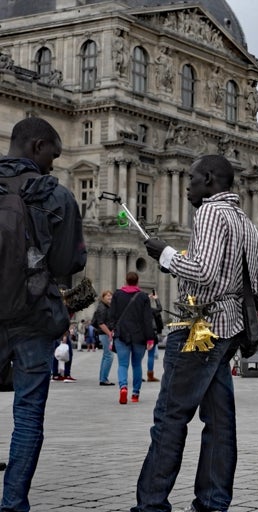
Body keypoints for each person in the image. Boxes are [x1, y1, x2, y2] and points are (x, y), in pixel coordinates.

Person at [136, 154, 258, 511]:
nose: (188, 185)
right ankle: (212, 502)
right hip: (230, 329)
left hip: (199, 327)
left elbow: (203, 272)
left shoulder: (209, 213)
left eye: (192, 178)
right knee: (220, 423)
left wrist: (166, 255)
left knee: (170, 418)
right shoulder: (245, 222)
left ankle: (151, 504)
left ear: (209, 179)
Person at [0, 117, 86, 512]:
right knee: (28, 415)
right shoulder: (58, 196)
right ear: (37, 146)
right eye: (53, 154)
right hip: (34, 318)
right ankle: (13, 503)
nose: (54, 163)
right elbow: (69, 262)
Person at [109, 271, 156, 405]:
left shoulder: (117, 294)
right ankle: (135, 394)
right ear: (137, 281)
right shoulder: (143, 297)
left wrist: (113, 329)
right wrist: (150, 338)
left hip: (122, 334)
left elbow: (111, 315)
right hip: (139, 336)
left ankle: (123, 387)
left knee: (123, 364)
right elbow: (147, 319)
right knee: (137, 365)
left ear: (126, 280)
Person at [93, 290, 116, 386]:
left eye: (111, 296)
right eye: (107, 296)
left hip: (105, 333)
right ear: (103, 297)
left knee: (106, 355)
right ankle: (104, 379)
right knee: (109, 356)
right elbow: (101, 323)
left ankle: (102, 378)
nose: (110, 297)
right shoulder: (102, 308)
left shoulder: (106, 307)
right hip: (105, 333)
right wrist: (109, 333)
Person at [146, 292, 163, 382]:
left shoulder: (138, 310)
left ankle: (138, 375)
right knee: (151, 356)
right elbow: (160, 308)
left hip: (139, 334)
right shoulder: (151, 310)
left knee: (138, 357)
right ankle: (150, 376)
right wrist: (156, 299)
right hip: (151, 333)